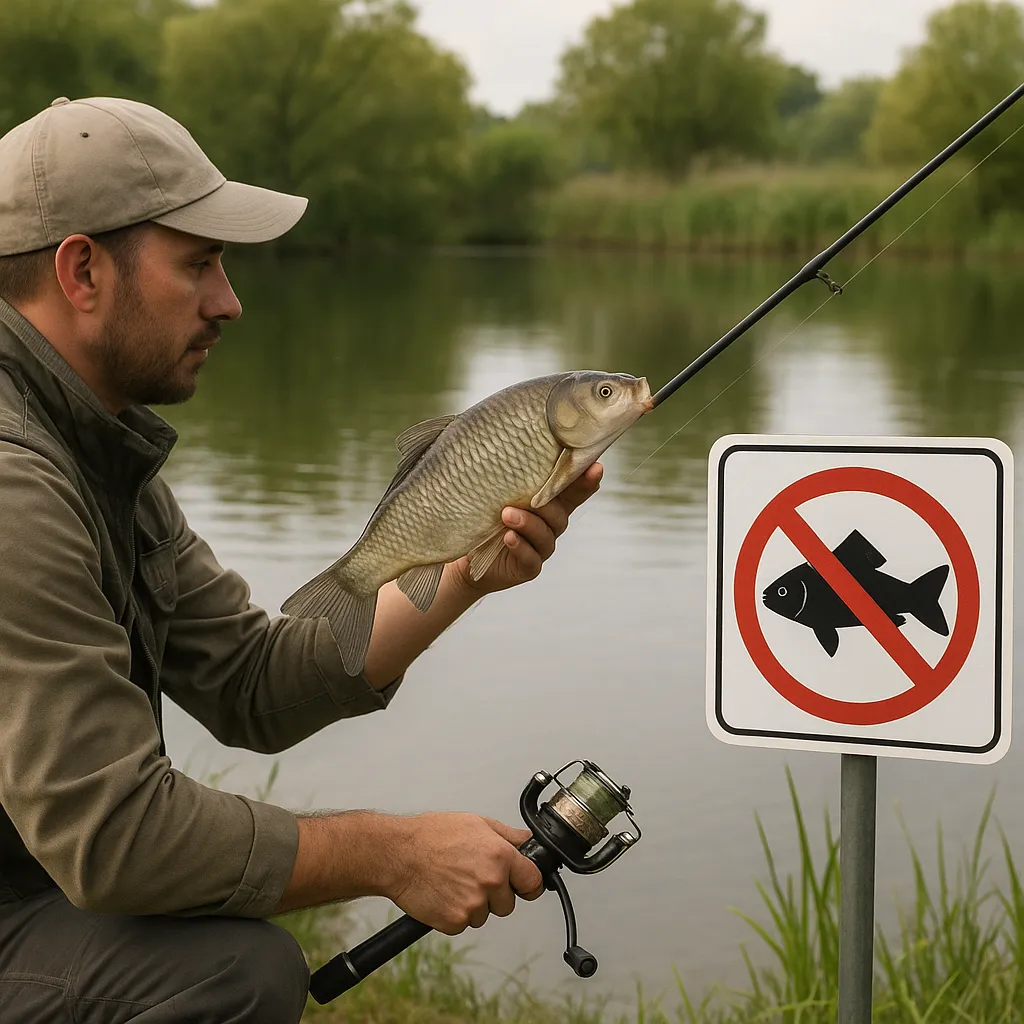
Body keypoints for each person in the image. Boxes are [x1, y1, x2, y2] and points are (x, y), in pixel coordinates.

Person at [0, 96, 603, 1023]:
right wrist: (389, 854)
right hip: (30, 895)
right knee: (234, 975)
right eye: (198, 263)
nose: (229, 301)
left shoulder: (96, 441)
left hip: (31, 886)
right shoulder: (16, 487)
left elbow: (252, 683)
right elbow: (116, 838)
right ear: (82, 270)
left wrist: (466, 568)